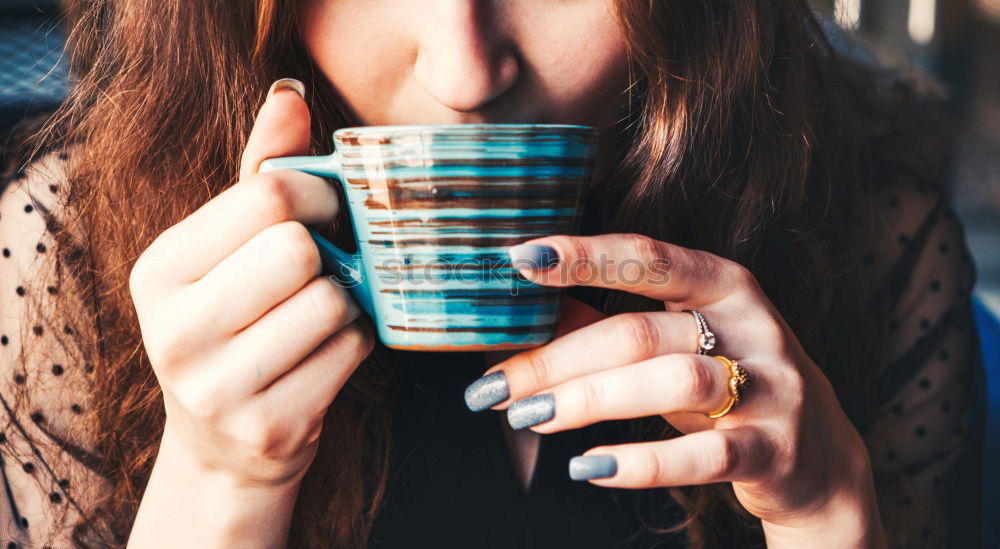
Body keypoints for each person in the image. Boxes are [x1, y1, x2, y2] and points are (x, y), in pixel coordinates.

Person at [0, 1, 986, 547]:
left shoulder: (873, 248)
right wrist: (219, 484)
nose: (465, 72)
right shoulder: (63, 253)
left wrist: (824, 516)